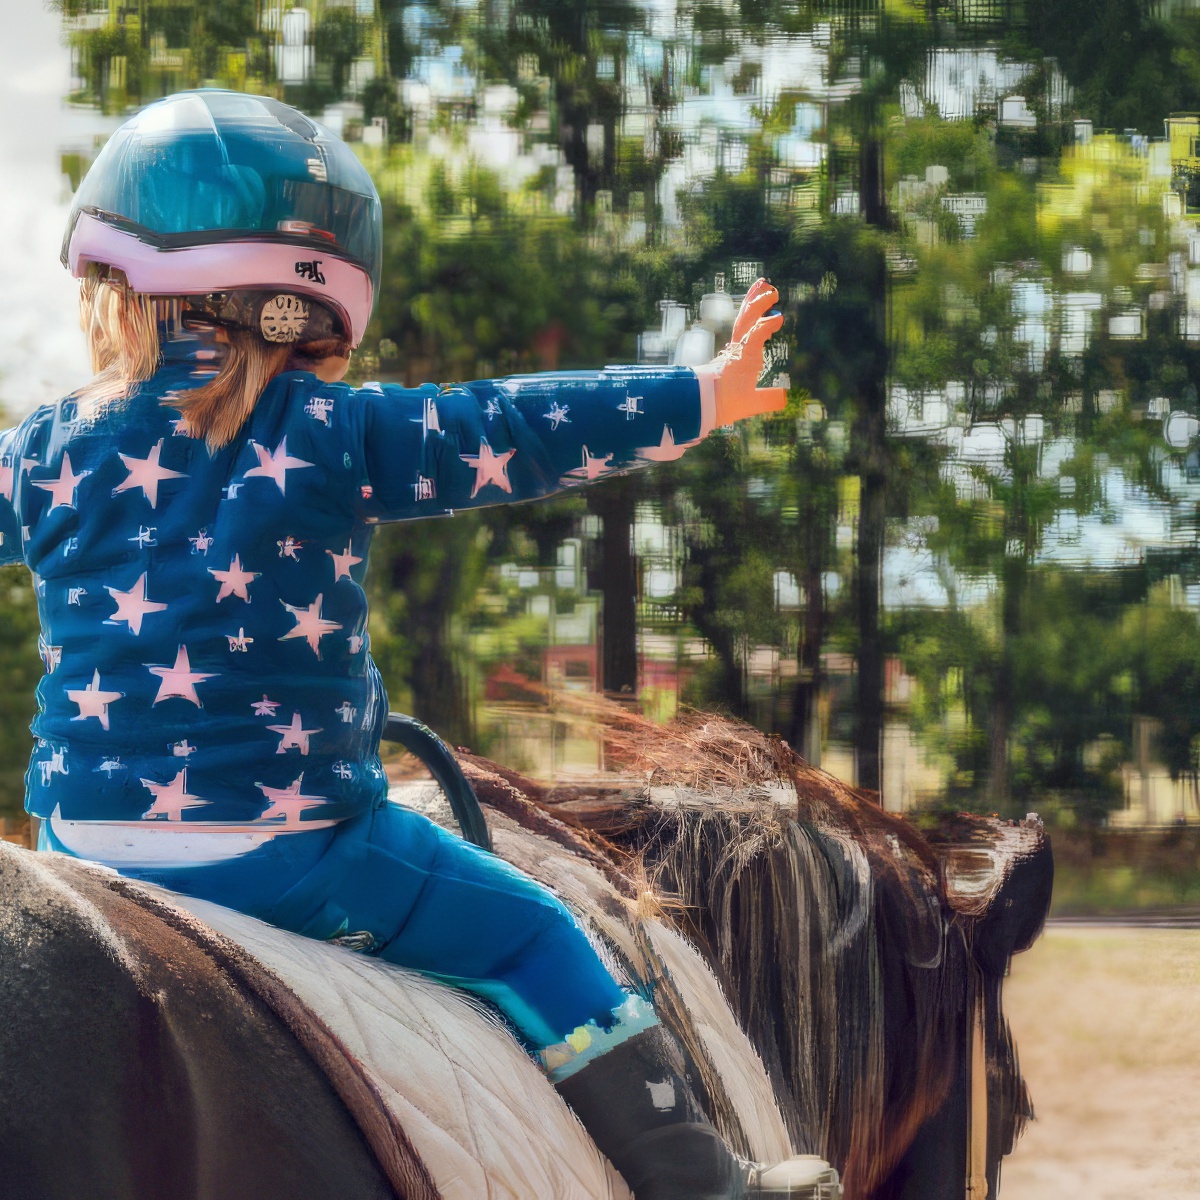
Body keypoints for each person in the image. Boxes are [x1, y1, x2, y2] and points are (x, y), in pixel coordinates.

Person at [0, 90, 794, 1198]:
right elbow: (511, 429)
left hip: (84, 842)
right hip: (292, 850)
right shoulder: (331, 434)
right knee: (536, 937)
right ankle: (705, 1182)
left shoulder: (41, 450)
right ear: (308, 306)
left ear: (107, 286)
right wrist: (696, 396)